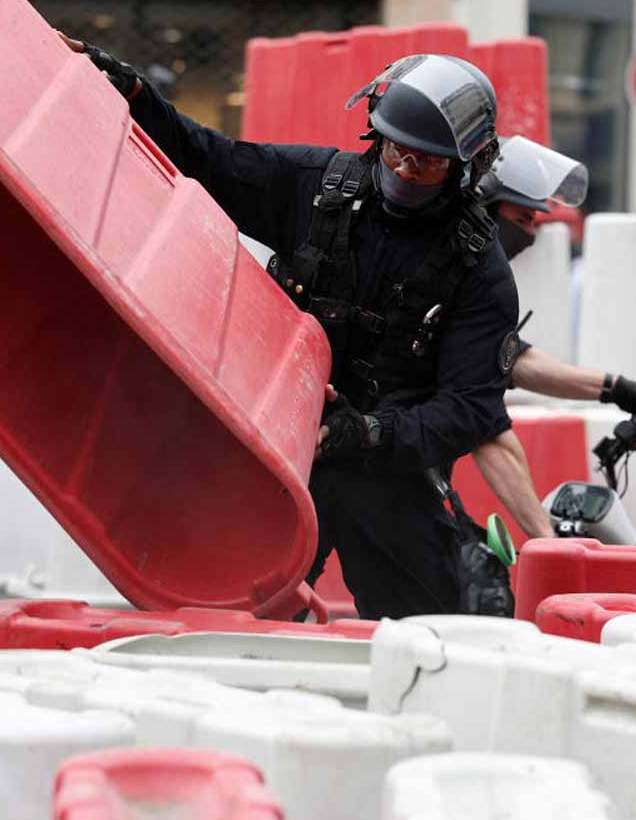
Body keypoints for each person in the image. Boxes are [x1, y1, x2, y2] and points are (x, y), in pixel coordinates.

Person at [65, 38, 519, 619]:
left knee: (426, 641)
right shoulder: (316, 187)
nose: (406, 170)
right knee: (229, 619)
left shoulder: (478, 268)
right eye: (397, 153)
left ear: (465, 166)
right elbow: (207, 158)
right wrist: (132, 91)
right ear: (376, 139)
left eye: (426, 162)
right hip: (278, 461)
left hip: (390, 474)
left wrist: (366, 432)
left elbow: (471, 410)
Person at [471, 136, 636, 539]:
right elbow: (486, 427)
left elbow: (514, 360)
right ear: (484, 213)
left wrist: (616, 388)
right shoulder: (455, 282)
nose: (528, 235)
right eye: (522, 220)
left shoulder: (474, 287)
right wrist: (549, 540)